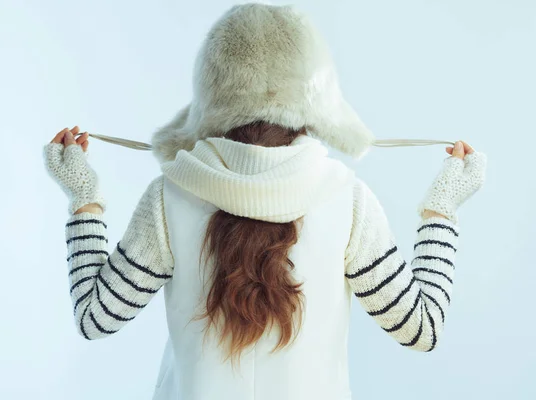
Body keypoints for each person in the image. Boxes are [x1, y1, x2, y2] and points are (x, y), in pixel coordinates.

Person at [43, 4, 486, 400]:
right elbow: (422, 329)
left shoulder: (169, 194)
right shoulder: (348, 199)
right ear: (316, 98)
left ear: (211, 91)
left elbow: (95, 317)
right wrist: (440, 211)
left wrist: (84, 200)